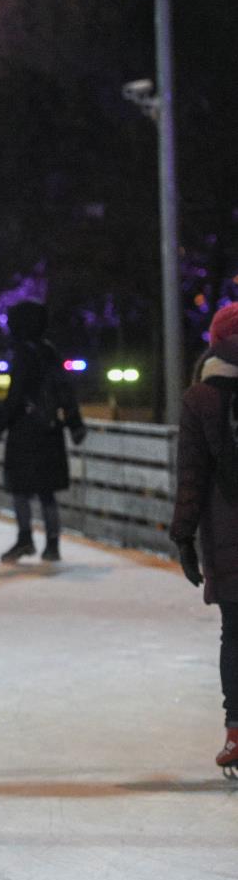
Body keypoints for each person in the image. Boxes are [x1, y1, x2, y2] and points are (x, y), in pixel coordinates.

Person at [171, 301, 238, 779]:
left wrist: (183, 538)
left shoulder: (201, 398)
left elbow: (192, 476)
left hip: (227, 535)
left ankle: (237, 732)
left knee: (235, 633)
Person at [0, 299, 85, 562]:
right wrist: (74, 423)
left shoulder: (22, 353)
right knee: (47, 491)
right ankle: (52, 545)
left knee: (20, 488)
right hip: (51, 431)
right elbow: (65, 390)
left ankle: (25, 539)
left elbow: (15, 394)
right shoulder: (50, 351)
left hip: (25, 429)